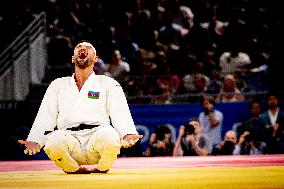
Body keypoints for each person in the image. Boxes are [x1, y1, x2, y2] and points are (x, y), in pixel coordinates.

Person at [18, 41, 143, 174]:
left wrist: (127, 133)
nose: (82, 48)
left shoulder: (107, 83)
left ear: (96, 59)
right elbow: (46, 114)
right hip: (68, 139)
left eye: (88, 48)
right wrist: (35, 140)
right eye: (79, 48)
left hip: (97, 138)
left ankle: (103, 166)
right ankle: (72, 167)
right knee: (52, 141)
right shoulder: (58, 84)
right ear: (73, 58)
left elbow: (120, 111)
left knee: (110, 136)